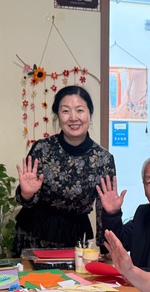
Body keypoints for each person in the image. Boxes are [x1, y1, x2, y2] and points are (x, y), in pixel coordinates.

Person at [13, 85, 116, 255]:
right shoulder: (42, 149)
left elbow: (103, 207)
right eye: (66, 111)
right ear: (58, 116)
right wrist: (27, 194)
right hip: (33, 233)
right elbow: (25, 201)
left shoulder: (103, 159)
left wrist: (106, 250)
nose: (73, 118)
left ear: (90, 113)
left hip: (74, 238)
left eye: (80, 110)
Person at [97, 155, 150, 272]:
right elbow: (120, 242)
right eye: (149, 182)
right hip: (135, 282)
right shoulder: (143, 213)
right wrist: (112, 214)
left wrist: (133, 272)